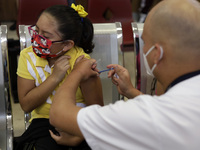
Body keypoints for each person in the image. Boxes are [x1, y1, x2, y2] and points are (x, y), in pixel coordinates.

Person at [49, 0, 200, 149]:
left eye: (145, 43)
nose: (143, 49)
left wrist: (76, 72)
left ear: (157, 53)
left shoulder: (147, 116)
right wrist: (131, 92)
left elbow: (59, 115)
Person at [15, 3, 103, 150]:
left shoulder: (82, 62)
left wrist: (78, 136)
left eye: (45, 36)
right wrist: (55, 77)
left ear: (67, 45)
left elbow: (97, 110)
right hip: (44, 123)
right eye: (36, 30)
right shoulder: (27, 56)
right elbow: (26, 105)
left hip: (79, 123)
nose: (37, 38)